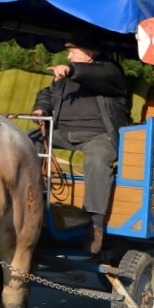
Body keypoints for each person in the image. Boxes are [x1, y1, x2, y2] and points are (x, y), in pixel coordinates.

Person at [31, 31, 130, 256]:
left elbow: (98, 74)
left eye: (73, 52)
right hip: (61, 133)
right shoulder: (66, 76)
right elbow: (48, 93)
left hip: (98, 135)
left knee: (98, 160)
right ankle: (28, 199)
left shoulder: (111, 72)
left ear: (89, 54)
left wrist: (71, 70)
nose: (68, 56)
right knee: (28, 140)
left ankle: (96, 225)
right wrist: (41, 109)